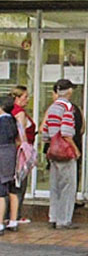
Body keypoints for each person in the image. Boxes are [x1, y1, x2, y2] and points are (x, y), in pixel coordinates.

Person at [43, 79, 81, 229]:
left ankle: (53, 216)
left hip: (53, 151)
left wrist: (49, 146)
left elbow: (46, 131)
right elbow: (66, 132)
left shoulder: (52, 107)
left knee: (55, 186)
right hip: (65, 152)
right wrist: (75, 150)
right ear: (69, 91)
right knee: (67, 186)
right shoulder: (67, 107)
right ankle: (63, 220)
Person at [8, 86, 35, 224]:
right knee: (20, 183)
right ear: (17, 98)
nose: (27, 100)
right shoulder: (19, 113)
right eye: (25, 97)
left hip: (11, 151)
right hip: (21, 152)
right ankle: (15, 214)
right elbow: (21, 135)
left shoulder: (9, 112)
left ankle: (10, 214)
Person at [0, 96, 19, 235]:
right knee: (12, 189)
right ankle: (13, 220)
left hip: (2, 156)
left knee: (0, 192)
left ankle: (0, 223)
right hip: (11, 156)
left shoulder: (2, 122)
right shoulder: (13, 120)